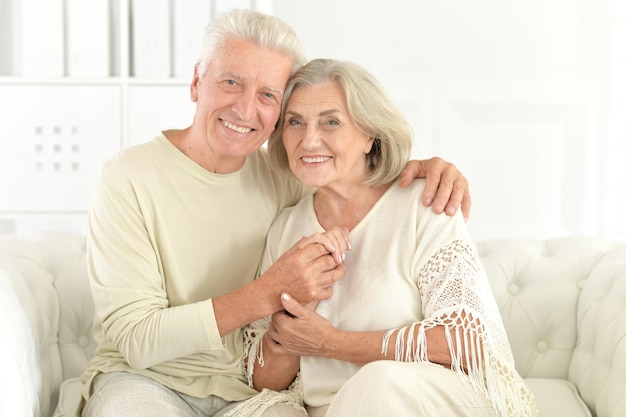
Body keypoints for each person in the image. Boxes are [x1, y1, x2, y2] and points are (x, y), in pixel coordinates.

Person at [79, 9, 471, 417]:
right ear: (197, 82)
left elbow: (353, 176)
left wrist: (424, 168)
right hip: (144, 380)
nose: (246, 110)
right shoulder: (127, 176)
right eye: (231, 82)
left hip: (253, 394)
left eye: (268, 95)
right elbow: (137, 339)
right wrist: (266, 292)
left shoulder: (287, 175)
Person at [237, 58, 538, 417]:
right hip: (334, 410)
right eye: (294, 122)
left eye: (331, 121)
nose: (309, 139)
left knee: (377, 383)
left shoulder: (425, 202)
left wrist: (332, 343)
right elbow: (263, 380)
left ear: (369, 135)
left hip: (429, 400)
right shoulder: (286, 228)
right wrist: (294, 315)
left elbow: (466, 341)